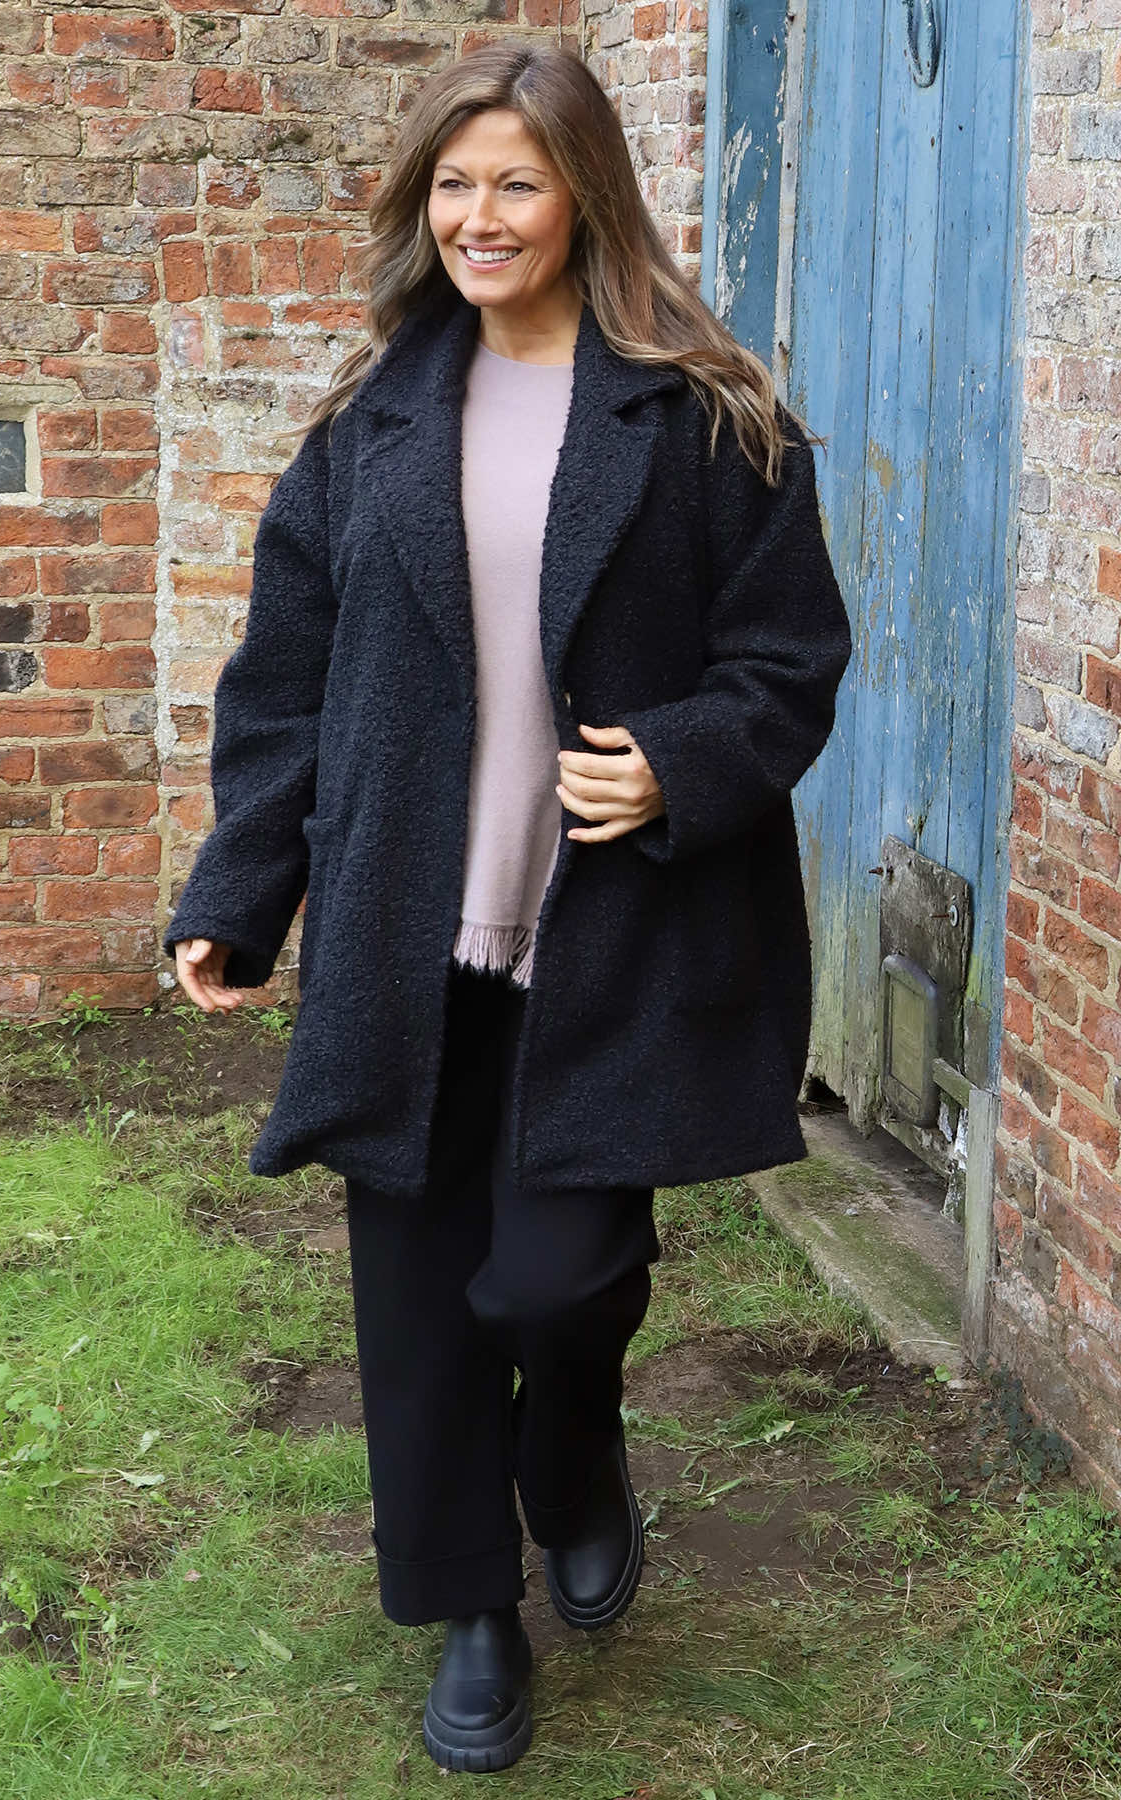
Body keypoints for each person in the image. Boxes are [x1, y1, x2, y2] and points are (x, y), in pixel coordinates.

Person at [164, 41, 851, 1776]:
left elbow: (790, 657)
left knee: (557, 1280)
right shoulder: (371, 423)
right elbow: (284, 684)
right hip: (406, 926)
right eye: (454, 185)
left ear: (584, 197)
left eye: (517, 183)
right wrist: (241, 889)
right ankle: (470, 1607)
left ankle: (573, 1450)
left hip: (612, 933)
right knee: (414, 1296)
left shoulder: (708, 417)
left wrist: (681, 764)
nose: (481, 217)